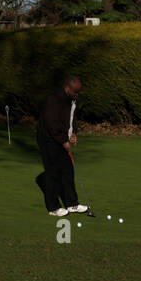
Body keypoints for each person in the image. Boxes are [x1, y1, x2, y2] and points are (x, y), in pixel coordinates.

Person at [35, 74, 88, 216]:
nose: (77, 95)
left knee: (68, 170)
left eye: (78, 92)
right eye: (75, 92)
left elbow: (71, 118)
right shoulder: (54, 99)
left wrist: (73, 132)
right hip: (48, 139)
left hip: (60, 137)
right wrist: (64, 140)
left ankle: (72, 204)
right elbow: (52, 123)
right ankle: (53, 208)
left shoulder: (71, 99)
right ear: (67, 88)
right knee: (52, 172)